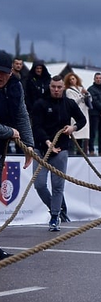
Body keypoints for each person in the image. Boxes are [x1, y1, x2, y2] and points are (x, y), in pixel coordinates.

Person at [28, 75, 86, 231]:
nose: (56, 90)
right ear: (49, 86)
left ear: (63, 88)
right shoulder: (40, 103)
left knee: (58, 186)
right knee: (39, 184)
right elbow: (37, 127)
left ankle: (55, 217)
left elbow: (82, 120)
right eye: (53, 87)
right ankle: (58, 207)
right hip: (42, 148)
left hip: (61, 150)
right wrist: (48, 143)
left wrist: (72, 128)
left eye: (59, 87)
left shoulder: (69, 103)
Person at [0, 50, 34, 259]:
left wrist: (28, 146)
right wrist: (9, 132)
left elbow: (21, 114)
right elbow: (12, 129)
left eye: (4, 73)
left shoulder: (15, 87)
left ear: (11, 72)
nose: (0, 77)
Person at [63, 72, 91, 155]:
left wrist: (87, 94)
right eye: (70, 79)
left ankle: (83, 152)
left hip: (84, 112)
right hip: (75, 113)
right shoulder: (68, 90)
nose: (72, 81)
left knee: (84, 134)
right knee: (75, 133)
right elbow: (73, 102)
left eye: (73, 79)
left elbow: (90, 100)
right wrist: (81, 96)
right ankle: (73, 152)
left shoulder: (81, 88)